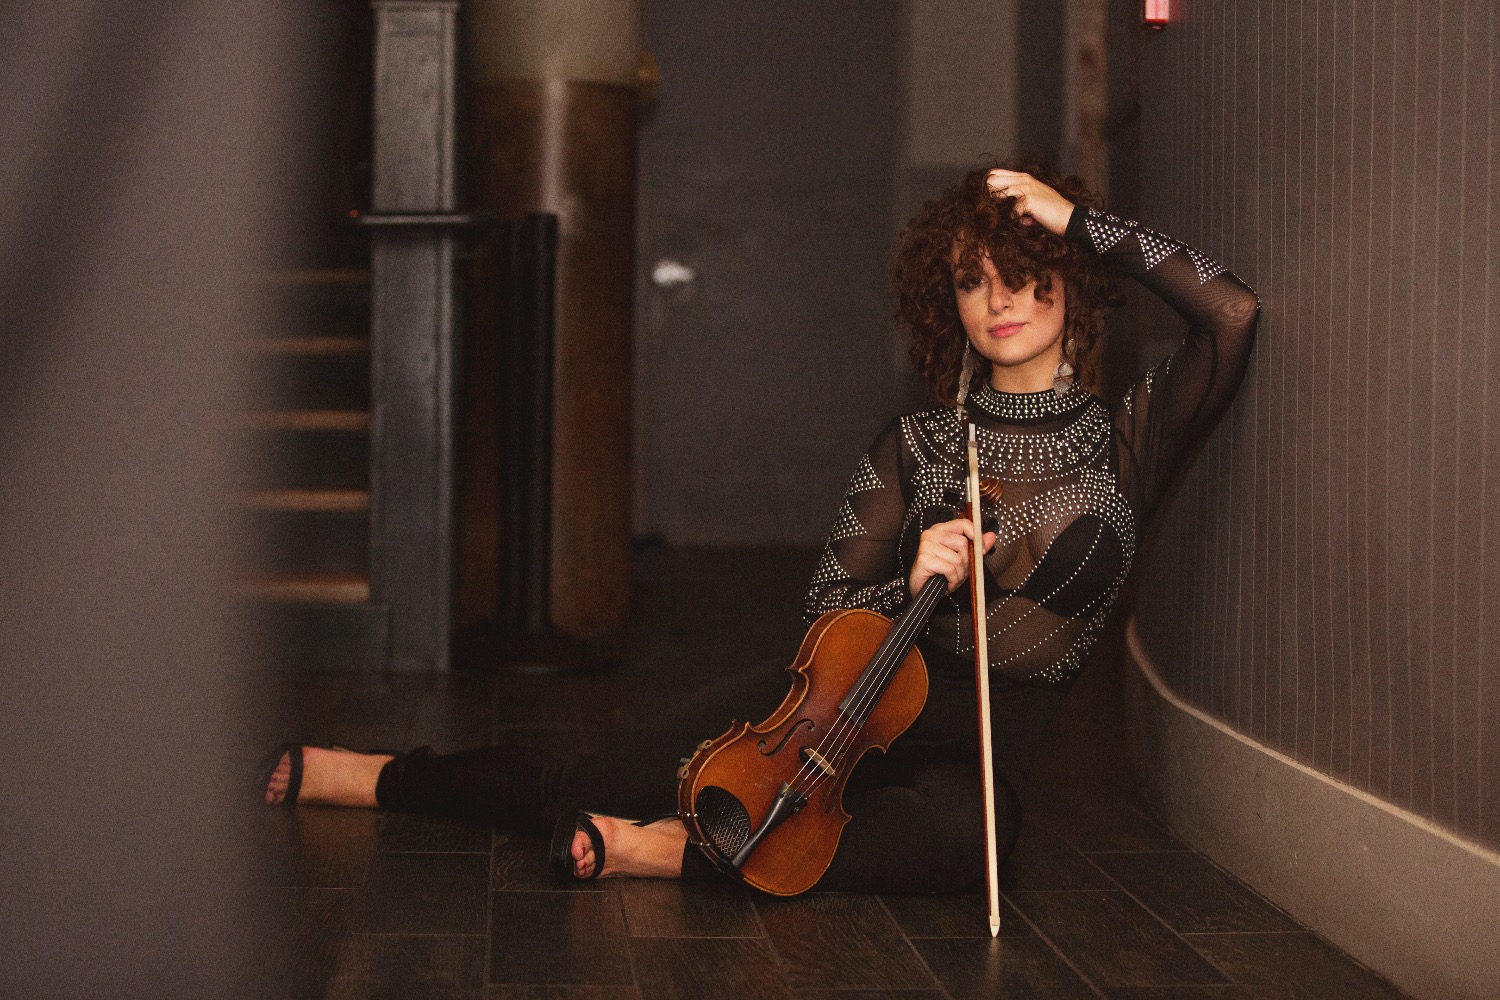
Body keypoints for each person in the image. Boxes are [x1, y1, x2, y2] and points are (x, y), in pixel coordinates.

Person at [263, 164, 1258, 893]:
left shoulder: (1127, 438)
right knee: (589, 779)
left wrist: (1075, 218)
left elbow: (1232, 314)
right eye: (970, 279)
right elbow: (828, 609)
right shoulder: (918, 443)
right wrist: (913, 578)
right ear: (946, 302)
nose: (998, 298)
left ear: (1068, 278)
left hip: (987, 747)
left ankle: (669, 854)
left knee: (969, 845)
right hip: (847, 701)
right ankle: (382, 776)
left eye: (1024, 269)